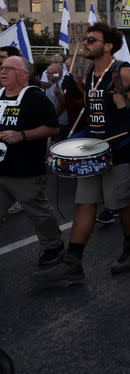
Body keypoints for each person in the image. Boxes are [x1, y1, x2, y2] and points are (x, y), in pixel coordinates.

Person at [34, 23, 130, 287]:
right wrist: (74, 95)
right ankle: (73, 263)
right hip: (94, 148)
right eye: (86, 39)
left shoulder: (124, 72)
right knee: (83, 203)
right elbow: (93, 111)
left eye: (92, 40)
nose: (85, 43)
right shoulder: (89, 74)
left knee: (122, 202)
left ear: (108, 46)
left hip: (121, 149)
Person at [0, 56, 64, 266]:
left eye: (9, 68)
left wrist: (22, 135)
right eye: (2, 68)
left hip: (25, 171)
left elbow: (52, 127)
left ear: (24, 74)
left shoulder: (34, 97)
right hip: (2, 168)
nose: (2, 71)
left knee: (38, 212)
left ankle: (52, 246)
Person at [42, 61, 69, 141]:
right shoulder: (50, 83)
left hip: (61, 121)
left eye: (49, 74)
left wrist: (54, 116)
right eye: (47, 73)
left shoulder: (63, 84)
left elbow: (64, 104)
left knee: (59, 144)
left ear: (56, 74)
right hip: (53, 120)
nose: (47, 75)